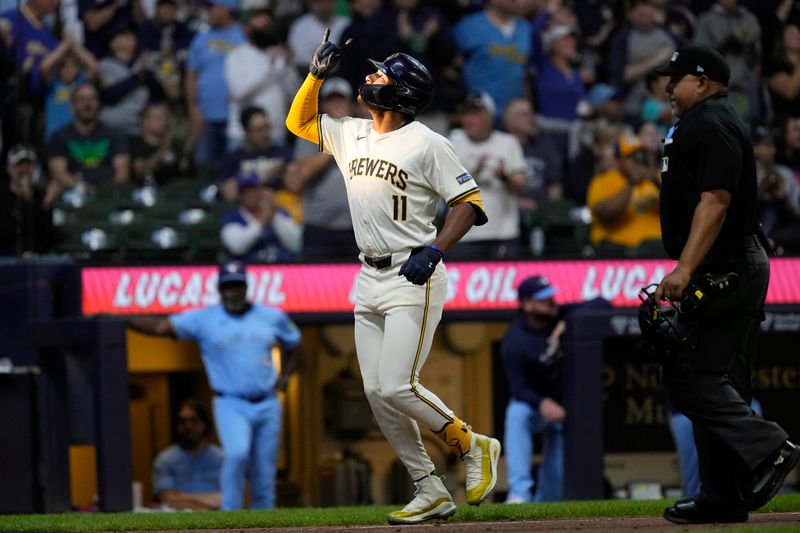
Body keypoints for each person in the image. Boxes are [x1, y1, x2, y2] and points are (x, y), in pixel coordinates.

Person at [285, 30, 501, 524]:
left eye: (380, 73)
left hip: (412, 270)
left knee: (399, 385)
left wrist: (436, 249)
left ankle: (475, 445)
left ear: (399, 93)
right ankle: (429, 486)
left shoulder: (428, 142)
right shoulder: (350, 131)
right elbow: (298, 121)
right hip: (368, 273)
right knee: (377, 391)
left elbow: (469, 205)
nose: (369, 76)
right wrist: (315, 75)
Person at [652, 44, 799, 524]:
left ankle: (770, 447)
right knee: (724, 380)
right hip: (729, 261)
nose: (669, 87)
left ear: (704, 80)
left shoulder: (711, 123)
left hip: (726, 263)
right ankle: (725, 495)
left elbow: (715, 201)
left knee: (691, 376)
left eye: (676, 79)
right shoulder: (708, 120)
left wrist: (685, 268)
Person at [127, 260, 302, 510]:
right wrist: (124, 320)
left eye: (238, 285)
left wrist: (285, 379)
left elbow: (295, 343)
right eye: (228, 286)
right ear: (220, 289)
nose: (234, 292)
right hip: (230, 400)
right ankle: (230, 516)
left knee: (264, 469)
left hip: (267, 402)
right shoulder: (204, 318)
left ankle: (265, 520)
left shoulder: (270, 315)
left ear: (246, 286)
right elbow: (161, 327)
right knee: (237, 453)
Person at [501, 276, 609, 504]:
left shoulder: (559, 314)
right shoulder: (514, 340)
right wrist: (542, 403)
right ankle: (519, 493)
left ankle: (546, 503)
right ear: (527, 304)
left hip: (563, 410)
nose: (551, 301)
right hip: (534, 406)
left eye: (550, 295)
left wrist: (567, 323)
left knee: (557, 479)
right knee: (516, 414)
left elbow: (603, 303)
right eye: (543, 298)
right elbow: (518, 388)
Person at [585, 132, 662, 257]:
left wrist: (656, 183)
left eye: (641, 154)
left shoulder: (657, 178)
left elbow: (680, 209)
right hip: (617, 250)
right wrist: (631, 184)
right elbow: (605, 213)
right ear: (619, 160)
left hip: (657, 249)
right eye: (631, 156)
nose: (638, 160)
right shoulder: (604, 180)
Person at [152, 399, 223, 510]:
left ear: (205, 423)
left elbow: (230, 497)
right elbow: (168, 498)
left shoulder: (222, 458)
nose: (188, 426)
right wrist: (209, 502)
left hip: (219, 522)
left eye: (194, 420)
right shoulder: (165, 459)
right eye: (182, 421)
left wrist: (181, 496)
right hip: (176, 521)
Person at [220, 171, 303, 263]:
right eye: (244, 190)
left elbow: (296, 244)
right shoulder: (232, 217)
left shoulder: (279, 212)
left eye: (253, 189)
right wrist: (263, 219)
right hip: (248, 270)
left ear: (261, 191)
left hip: (282, 268)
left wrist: (274, 215)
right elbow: (238, 247)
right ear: (240, 195)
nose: (249, 194)